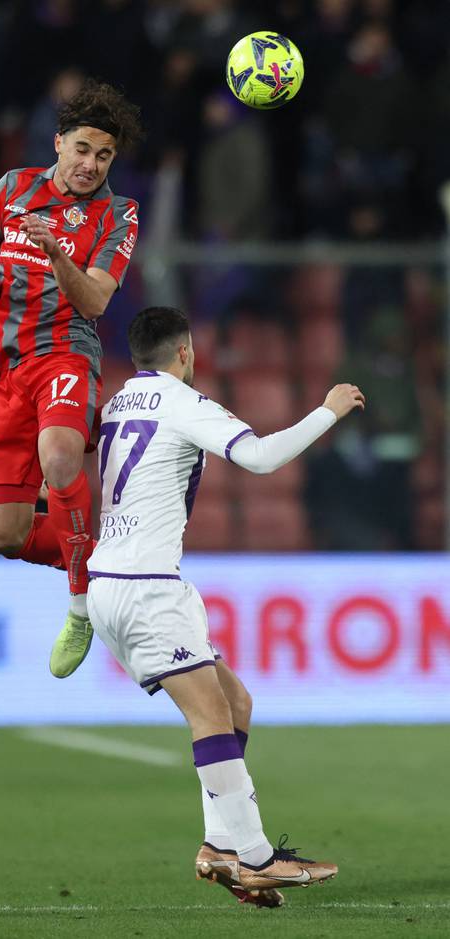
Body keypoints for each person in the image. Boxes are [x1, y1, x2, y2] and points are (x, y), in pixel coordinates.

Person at [87, 306, 365, 905]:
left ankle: (220, 847)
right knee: (210, 717)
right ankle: (259, 859)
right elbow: (260, 458)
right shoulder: (184, 403)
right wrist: (328, 410)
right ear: (185, 353)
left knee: (235, 701)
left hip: (111, 580)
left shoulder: (115, 404)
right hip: (148, 585)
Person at [0, 80, 141, 678]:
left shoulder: (118, 214)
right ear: (58, 143)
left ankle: (81, 605)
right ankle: (108, 565)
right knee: (3, 535)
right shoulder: (12, 188)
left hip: (66, 355)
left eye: (103, 156)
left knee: (59, 458)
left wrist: (58, 254)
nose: (90, 165)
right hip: (4, 369)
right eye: (82, 149)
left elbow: (98, 302)